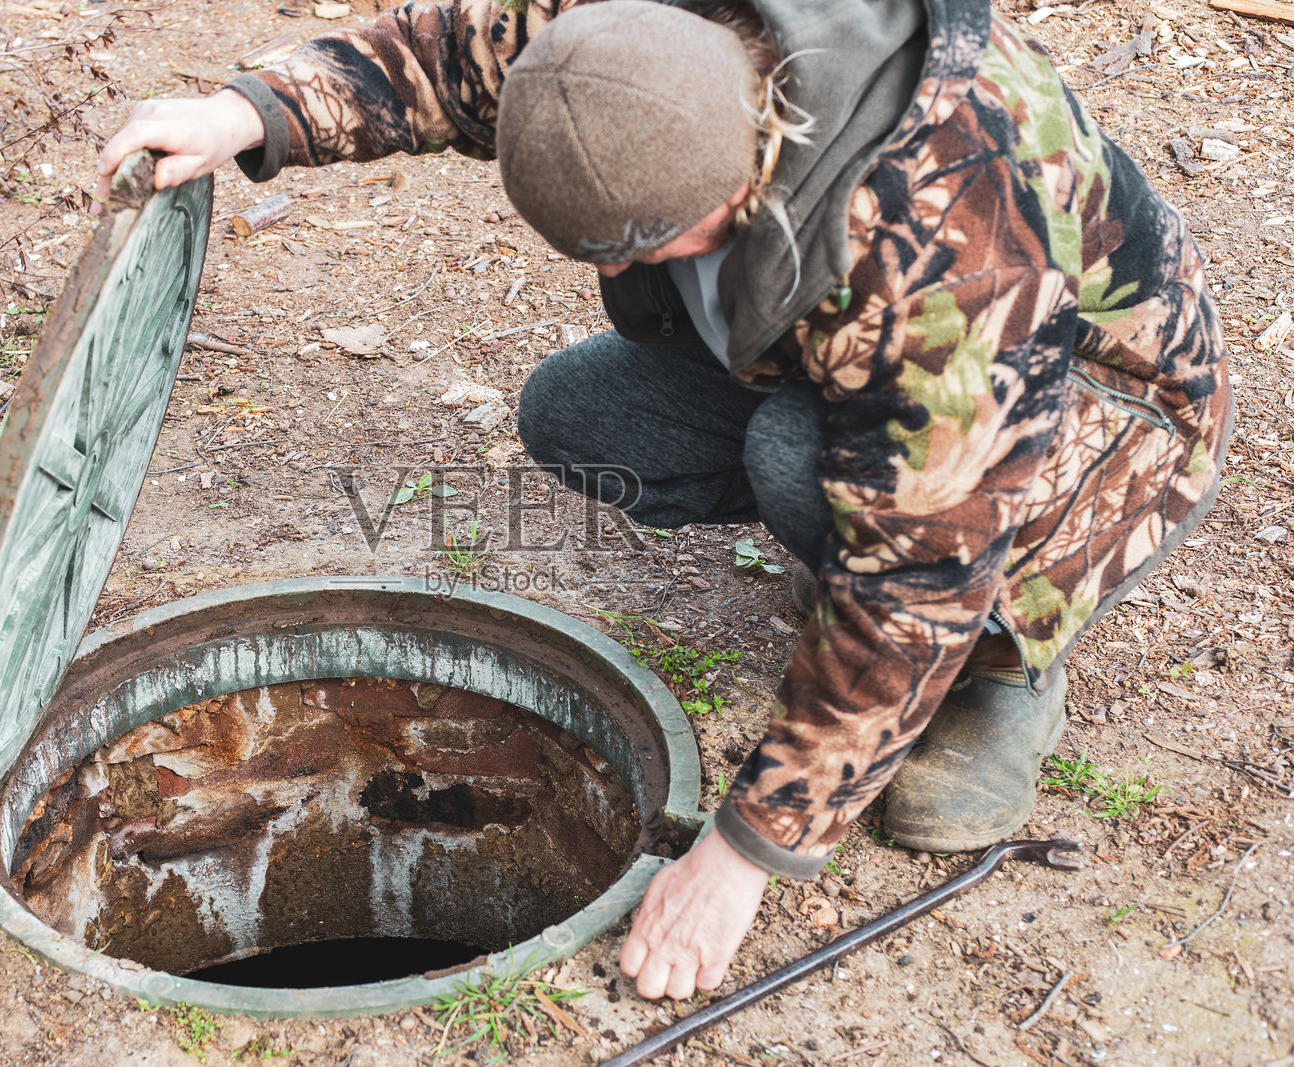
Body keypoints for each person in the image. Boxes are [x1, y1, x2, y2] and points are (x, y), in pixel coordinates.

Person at [95, 0, 1231, 1003]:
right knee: (583, 416)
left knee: (808, 469)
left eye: (651, 243)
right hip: (862, 355)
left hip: (1094, 421)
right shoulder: (643, 39)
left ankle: (1006, 657)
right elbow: (454, 53)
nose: (621, 268)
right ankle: (844, 504)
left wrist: (745, 850)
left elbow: (922, 570)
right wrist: (247, 113)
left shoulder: (941, 243)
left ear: (746, 170)